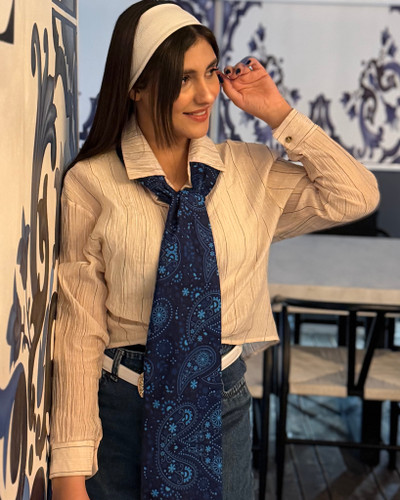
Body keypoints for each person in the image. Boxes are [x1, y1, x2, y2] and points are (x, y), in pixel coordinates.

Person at [49, 1, 380, 499]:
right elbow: (78, 332)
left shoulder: (249, 171)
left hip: (220, 403)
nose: (206, 94)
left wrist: (279, 114)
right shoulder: (91, 183)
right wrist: (69, 473)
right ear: (136, 86)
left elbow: (356, 195)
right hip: (119, 408)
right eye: (183, 79)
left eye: (210, 72)